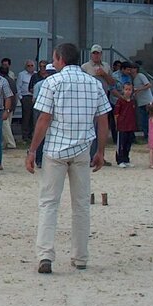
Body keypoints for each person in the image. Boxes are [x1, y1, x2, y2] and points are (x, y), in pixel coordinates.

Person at [26, 43, 110, 274]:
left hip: (55, 150)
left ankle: (45, 255)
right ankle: (80, 256)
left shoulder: (51, 83)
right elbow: (103, 121)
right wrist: (100, 151)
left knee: (49, 203)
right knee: (81, 204)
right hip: (83, 149)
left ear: (59, 59)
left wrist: (33, 150)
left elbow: (44, 119)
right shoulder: (94, 84)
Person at [113, 82, 136, 167]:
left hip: (130, 126)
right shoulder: (120, 101)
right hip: (122, 126)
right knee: (121, 144)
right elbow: (116, 114)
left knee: (128, 144)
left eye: (129, 89)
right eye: (126, 89)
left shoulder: (133, 101)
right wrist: (117, 125)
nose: (128, 91)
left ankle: (126, 159)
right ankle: (120, 160)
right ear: (123, 90)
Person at [0, 58, 18, 149]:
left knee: (4, 125)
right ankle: (5, 143)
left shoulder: (2, 82)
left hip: (5, 106)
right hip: (12, 105)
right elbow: (15, 94)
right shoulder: (12, 80)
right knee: (7, 125)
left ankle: (11, 143)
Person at [17, 59, 36, 141]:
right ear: (25, 66)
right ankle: (25, 136)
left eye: (32, 65)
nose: (30, 67)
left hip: (35, 97)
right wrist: (21, 98)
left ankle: (32, 135)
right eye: (28, 66)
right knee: (26, 117)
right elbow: (18, 87)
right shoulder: (22, 74)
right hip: (26, 97)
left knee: (34, 117)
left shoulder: (36, 74)